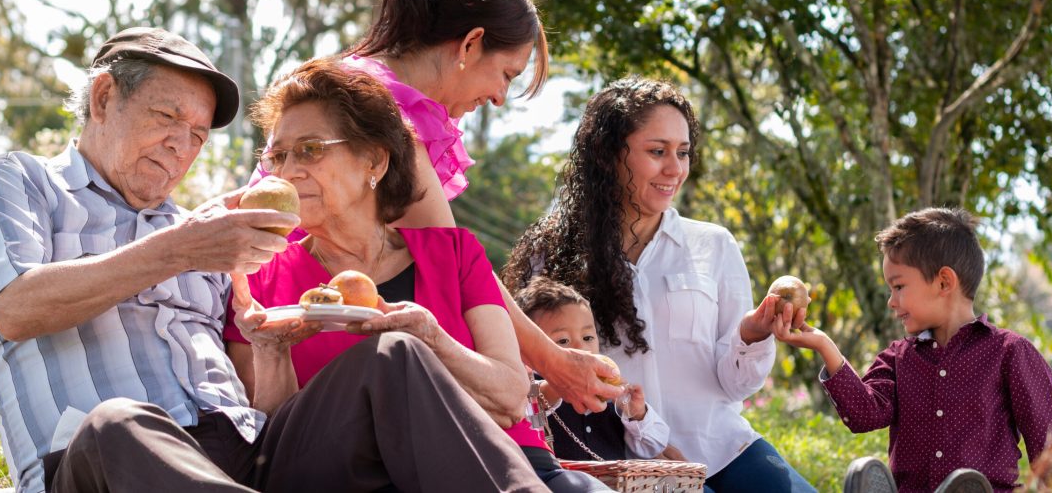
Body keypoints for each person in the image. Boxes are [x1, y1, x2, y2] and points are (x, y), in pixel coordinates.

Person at [0, 27, 543, 493]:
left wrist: (269, 348)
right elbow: (16, 308)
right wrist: (175, 250)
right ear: (104, 97)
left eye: (199, 134)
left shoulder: (204, 233)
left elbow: (264, 403)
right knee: (116, 424)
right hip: (108, 464)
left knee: (394, 355)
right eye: (166, 118)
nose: (183, 145)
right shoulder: (19, 183)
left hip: (249, 457)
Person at [224, 58, 609, 492]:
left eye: (310, 149)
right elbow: (282, 446)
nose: (288, 170)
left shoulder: (456, 253)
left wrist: (433, 339)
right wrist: (271, 353)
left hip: (511, 461)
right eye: (277, 155)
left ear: (374, 161)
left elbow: (510, 396)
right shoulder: (259, 276)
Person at [252, 0, 625, 414]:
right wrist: (555, 362)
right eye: (506, 73)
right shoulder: (379, 108)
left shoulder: (364, 91)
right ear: (470, 44)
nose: (501, 96)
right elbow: (456, 263)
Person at [504, 77, 816, 492]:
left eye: (683, 153)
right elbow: (530, 370)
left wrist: (753, 334)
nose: (675, 169)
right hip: (620, 466)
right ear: (609, 154)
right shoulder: (553, 254)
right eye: (657, 152)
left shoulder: (714, 246)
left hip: (724, 449)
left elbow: (737, 383)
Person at [774, 208, 1052, 493]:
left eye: (898, 286)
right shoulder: (898, 358)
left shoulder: (1010, 352)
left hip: (984, 489)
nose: (891, 301)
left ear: (943, 282)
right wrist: (825, 345)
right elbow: (864, 415)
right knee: (867, 472)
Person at [514, 276, 674, 461]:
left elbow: (652, 447)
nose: (581, 348)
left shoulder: (612, 401)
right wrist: (556, 386)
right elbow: (528, 411)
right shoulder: (530, 386)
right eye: (563, 340)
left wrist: (636, 414)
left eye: (588, 338)